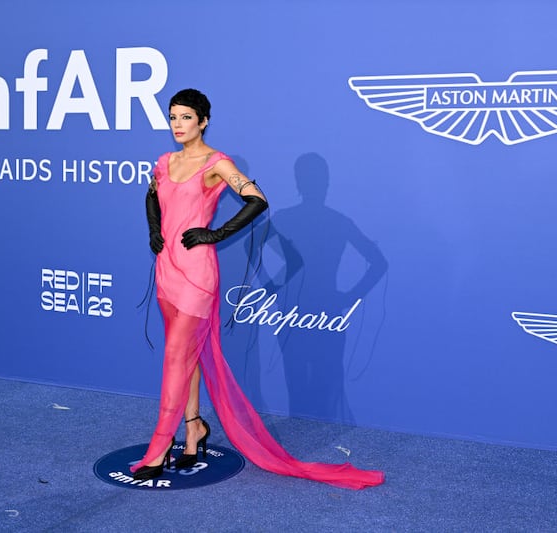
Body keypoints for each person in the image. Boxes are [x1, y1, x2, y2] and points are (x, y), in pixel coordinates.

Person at [131, 88, 384, 490]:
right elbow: (151, 195)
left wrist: (215, 233)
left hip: (197, 274)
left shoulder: (216, 163)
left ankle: (159, 448)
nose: (177, 124)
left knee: (176, 356)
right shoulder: (165, 162)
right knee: (186, 359)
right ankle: (194, 429)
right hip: (167, 269)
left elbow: (257, 199)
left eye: (186, 117)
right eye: (173, 117)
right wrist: (153, 230)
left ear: (203, 121)